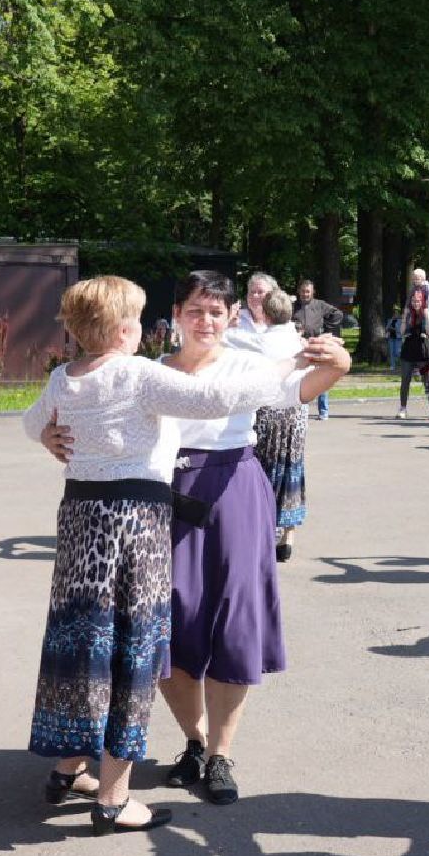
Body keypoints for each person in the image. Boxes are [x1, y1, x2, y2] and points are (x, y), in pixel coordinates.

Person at [22, 276, 305, 835]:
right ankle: (113, 797)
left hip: (81, 524)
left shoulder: (63, 378)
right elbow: (219, 398)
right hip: (134, 528)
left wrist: (51, 435)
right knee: (135, 650)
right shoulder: (139, 374)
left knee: (81, 644)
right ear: (123, 329)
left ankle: (66, 764)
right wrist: (287, 360)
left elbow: (31, 423)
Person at [158, 272, 351, 805]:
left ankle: (220, 753)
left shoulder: (248, 365)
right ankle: (194, 741)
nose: (206, 321)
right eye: (196, 310)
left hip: (236, 487)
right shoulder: (150, 372)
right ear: (176, 314)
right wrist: (56, 436)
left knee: (234, 623)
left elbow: (306, 387)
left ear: (232, 317)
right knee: (169, 623)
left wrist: (337, 362)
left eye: (216, 311)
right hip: (168, 494)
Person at [229, 289, 312, 562]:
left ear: (264, 313)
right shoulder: (299, 340)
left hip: (268, 413)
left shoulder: (260, 343)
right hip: (297, 414)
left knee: (264, 471)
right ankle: (288, 534)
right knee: (292, 468)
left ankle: (265, 530)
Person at [291, 279, 344, 419]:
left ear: (313, 292)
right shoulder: (292, 306)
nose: (305, 294)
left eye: (307, 291)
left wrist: (327, 326)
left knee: (321, 376)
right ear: (299, 291)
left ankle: (323, 411)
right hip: (298, 345)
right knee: (299, 377)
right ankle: (300, 409)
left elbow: (338, 314)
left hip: (318, 343)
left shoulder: (320, 305)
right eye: (302, 291)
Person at [395, 287, 429, 419]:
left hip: (423, 350)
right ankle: (403, 408)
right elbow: (401, 332)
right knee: (405, 380)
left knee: (427, 381)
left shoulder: (427, 313)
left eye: (418, 300)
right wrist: (405, 317)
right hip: (409, 349)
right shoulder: (408, 313)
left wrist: (427, 316)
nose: (415, 303)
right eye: (413, 300)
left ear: (422, 301)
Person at [384, 306, 404, 371]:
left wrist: (394, 329)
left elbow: (400, 330)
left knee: (397, 352)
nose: (395, 314)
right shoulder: (390, 320)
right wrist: (390, 325)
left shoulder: (400, 321)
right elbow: (386, 329)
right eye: (394, 313)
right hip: (391, 338)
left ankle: (402, 363)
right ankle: (392, 366)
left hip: (398, 338)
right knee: (391, 352)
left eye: (396, 313)